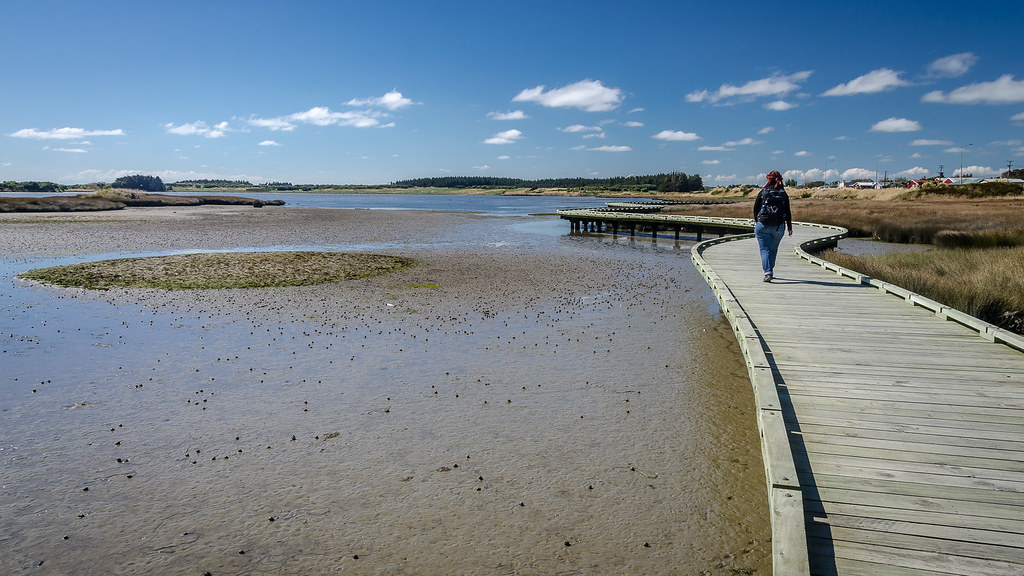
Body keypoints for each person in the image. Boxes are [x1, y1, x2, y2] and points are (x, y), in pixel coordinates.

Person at [753, 170, 793, 282]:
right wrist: (789, 227)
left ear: (768, 179)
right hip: (779, 226)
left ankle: (768, 272)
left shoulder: (763, 192)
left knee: (765, 249)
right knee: (773, 249)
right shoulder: (783, 193)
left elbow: (756, 209)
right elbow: (787, 211)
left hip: (762, 225)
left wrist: (758, 222)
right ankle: (770, 268)